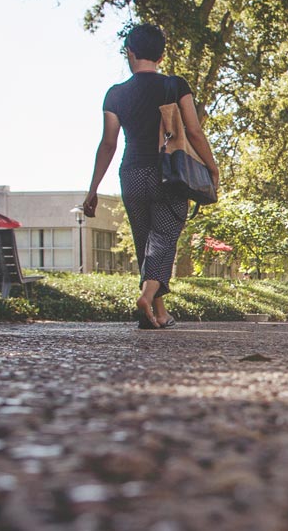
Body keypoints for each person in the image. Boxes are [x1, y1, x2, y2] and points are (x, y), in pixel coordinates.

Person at [82, 25, 220, 330]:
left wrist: (92, 190)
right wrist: (212, 167)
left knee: (146, 241)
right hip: (168, 173)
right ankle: (146, 296)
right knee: (164, 238)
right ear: (162, 54)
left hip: (130, 173)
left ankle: (159, 314)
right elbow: (194, 131)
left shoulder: (115, 94)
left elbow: (108, 144)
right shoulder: (175, 85)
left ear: (130, 53)